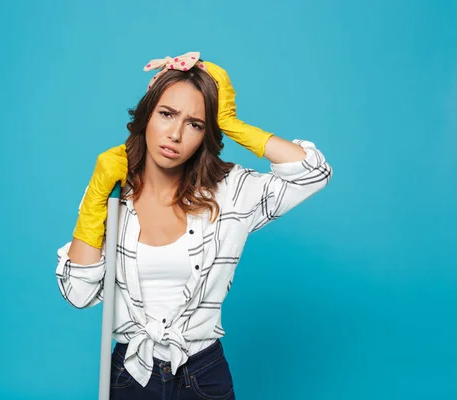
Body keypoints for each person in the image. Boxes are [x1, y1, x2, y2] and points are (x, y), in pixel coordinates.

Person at [55, 51, 332, 399]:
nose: (175, 134)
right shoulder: (110, 193)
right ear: (146, 116)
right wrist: (96, 196)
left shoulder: (230, 191)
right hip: (130, 372)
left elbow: (313, 172)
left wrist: (232, 123)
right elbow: (78, 294)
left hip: (203, 373)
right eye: (167, 114)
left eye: (195, 124)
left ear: (206, 133)